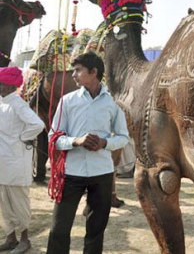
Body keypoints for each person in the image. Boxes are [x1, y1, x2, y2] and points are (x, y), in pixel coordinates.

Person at [46, 52, 129, 254]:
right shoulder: (67, 101)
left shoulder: (112, 104)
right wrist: (76, 141)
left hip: (102, 174)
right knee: (59, 229)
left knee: (96, 230)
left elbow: (123, 137)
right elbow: (53, 137)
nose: (73, 75)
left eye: (78, 70)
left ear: (94, 72)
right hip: (71, 173)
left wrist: (103, 143)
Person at [0, 67, 44, 253]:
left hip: (16, 161)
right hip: (3, 161)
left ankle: (25, 240)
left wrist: (22, 136)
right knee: (4, 202)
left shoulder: (18, 104)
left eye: (1, 83)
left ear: (9, 85)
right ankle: (11, 238)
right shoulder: (2, 103)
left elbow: (38, 124)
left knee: (19, 202)